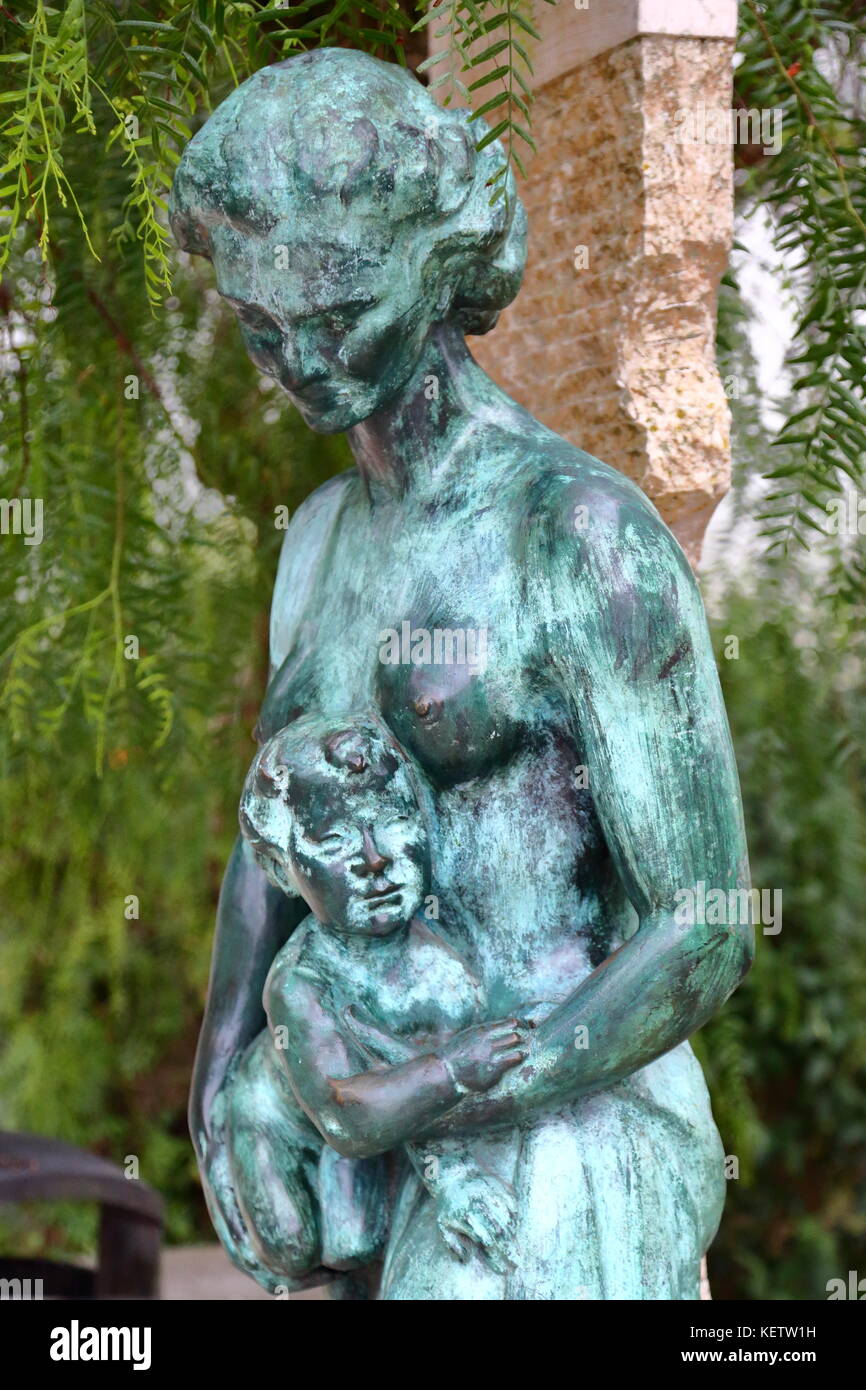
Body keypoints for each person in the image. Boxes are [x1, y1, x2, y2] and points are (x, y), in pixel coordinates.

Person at [170, 46, 753, 1300]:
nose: (303, 364)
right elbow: (267, 835)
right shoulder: (321, 537)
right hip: (364, 1111)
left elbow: (701, 930)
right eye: (265, 329)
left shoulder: (576, 535)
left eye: (340, 316)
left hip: (561, 1106)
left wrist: (462, 1085)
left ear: (437, 268)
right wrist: (220, 1070)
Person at [227, 711, 529, 1293]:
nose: (374, 860)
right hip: (281, 1114)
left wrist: (454, 1176)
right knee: (293, 1250)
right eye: (334, 840)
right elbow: (346, 1113)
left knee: (361, 1239)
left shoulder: (441, 956)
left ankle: (353, 1194)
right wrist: (451, 1069)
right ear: (278, 867)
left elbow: (421, 1111)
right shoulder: (301, 982)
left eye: (391, 823)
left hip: (374, 1113)